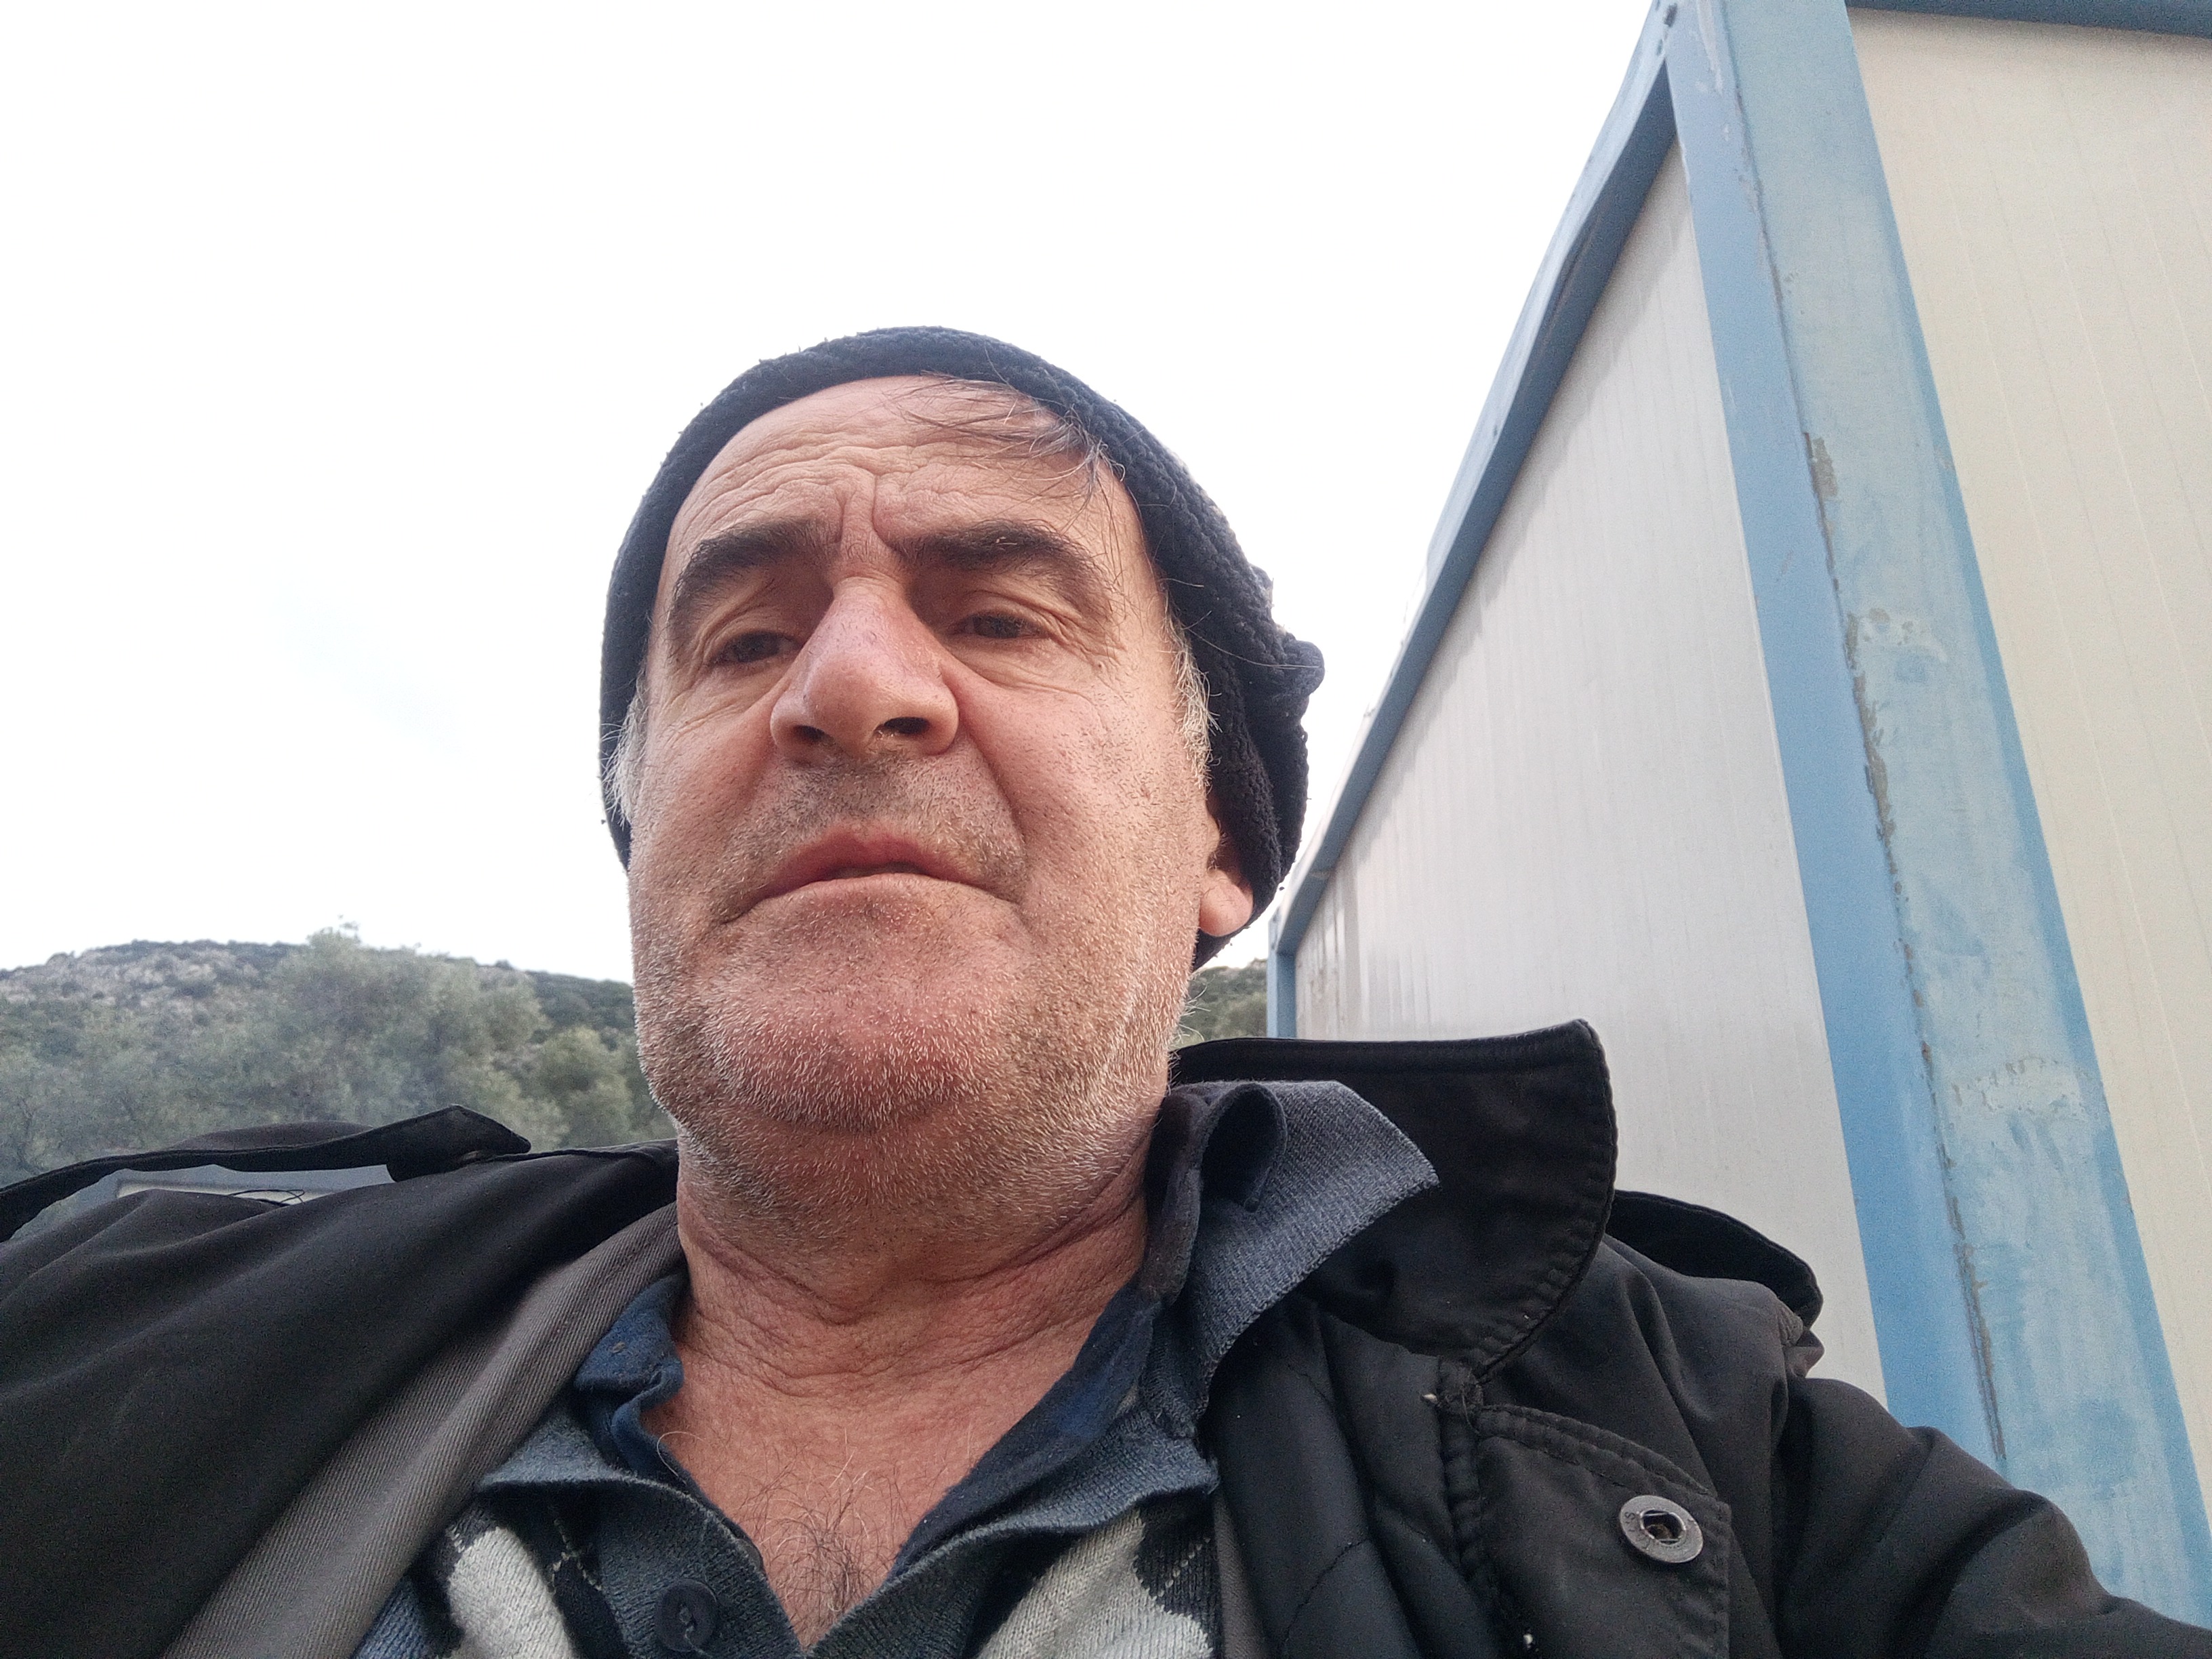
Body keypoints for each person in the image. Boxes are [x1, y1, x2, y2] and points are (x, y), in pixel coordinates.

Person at [2, 328, 2206, 1659]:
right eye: (743, 638)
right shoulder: (112, 1315)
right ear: (645, 831)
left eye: (1004, 613)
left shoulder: (1686, 1431)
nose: (850, 687)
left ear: (1219, 843)